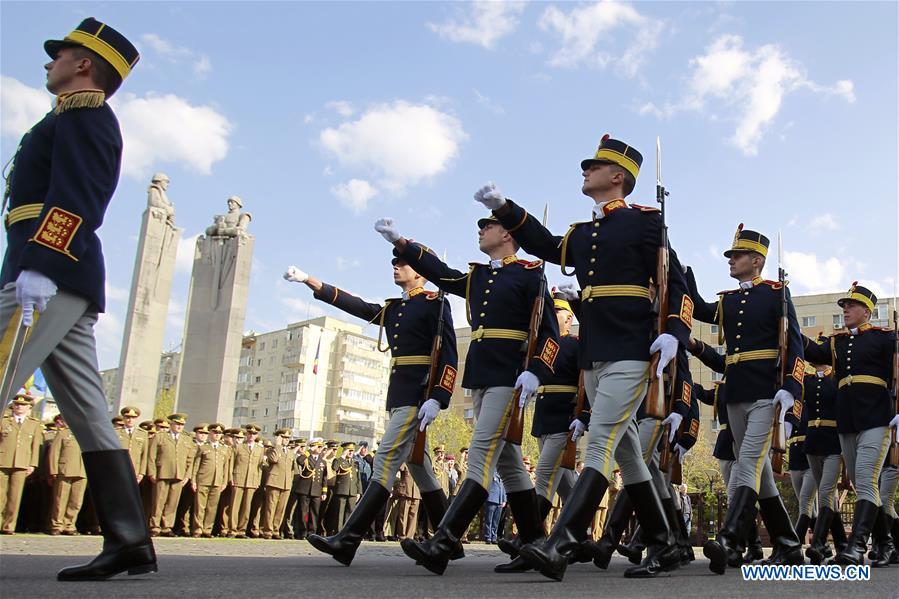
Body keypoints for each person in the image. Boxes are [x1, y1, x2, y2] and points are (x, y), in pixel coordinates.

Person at [487, 135, 693, 580]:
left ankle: (559, 544)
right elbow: (544, 244)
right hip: (596, 352)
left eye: (594, 166)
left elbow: (677, 284)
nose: (585, 170)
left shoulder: (645, 223)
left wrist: (675, 332)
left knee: (599, 442)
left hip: (633, 348)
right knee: (629, 455)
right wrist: (507, 208)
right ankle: (666, 544)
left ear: (617, 177)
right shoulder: (584, 233)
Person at [0, 17, 151, 580]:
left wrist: (40, 264)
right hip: (58, 275)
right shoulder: (67, 116)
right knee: (89, 414)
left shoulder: (87, 115)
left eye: (58, 54)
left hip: (49, 274)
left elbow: (79, 196)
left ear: (83, 63)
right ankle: (130, 540)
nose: (48, 61)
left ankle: (131, 540)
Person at [376, 212, 560, 576]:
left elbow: (549, 333)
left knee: (480, 454)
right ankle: (539, 548)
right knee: (508, 464)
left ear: (508, 234)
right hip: (481, 374)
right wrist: (402, 243)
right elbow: (439, 270)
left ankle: (444, 542)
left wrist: (537, 371)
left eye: (487, 226)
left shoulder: (529, 273)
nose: (480, 230)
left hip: (510, 375)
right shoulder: (477, 276)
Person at [285, 252, 458, 565]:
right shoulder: (395, 308)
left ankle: (347, 540)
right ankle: (451, 539)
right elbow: (356, 306)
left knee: (385, 460)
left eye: (403, 263)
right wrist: (311, 281)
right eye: (394, 263)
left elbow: (448, 354)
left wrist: (438, 396)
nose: (395, 266)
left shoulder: (437, 303)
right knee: (420, 468)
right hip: (399, 395)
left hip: (417, 396)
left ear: (421, 273)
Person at [802, 282, 897, 566]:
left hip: (877, 418)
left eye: (851, 305)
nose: (845, 310)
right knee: (860, 482)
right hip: (848, 421)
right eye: (843, 306)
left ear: (867, 312)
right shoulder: (837, 342)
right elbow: (814, 354)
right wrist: (790, 328)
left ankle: (855, 547)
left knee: (867, 479)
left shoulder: (885, 338)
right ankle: (885, 543)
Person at [0, 392, 43, 535]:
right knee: (0, 495)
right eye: (17, 404)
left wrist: (32, 464)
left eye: (23, 405)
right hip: (3, 461)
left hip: (21, 463)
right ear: (13, 406)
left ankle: (8, 526)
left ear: (28, 407)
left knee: (15, 496)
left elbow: (35, 446)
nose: (19, 407)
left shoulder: (34, 424)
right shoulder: (4, 420)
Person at [47, 414, 86, 535]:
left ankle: (69, 525)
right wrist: (53, 470)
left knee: (76, 501)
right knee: (60, 499)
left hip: (82, 471)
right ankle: (57, 525)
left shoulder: (89, 435)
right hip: (65, 470)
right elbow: (54, 452)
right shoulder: (63, 433)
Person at [190, 423, 230, 538]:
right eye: (214, 432)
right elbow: (196, 465)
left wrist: (224, 482)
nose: (217, 435)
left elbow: (225, 467)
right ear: (210, 433)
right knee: (200, 506)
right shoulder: (203, 447)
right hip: (203, 480)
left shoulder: (224, 449)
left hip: (217, 481)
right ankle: (197, 529)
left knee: (212, 507)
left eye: (219, 433)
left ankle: (207, 529)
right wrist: (194, 480)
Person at [294, 439, 327, 540]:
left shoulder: (322, 461)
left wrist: (324, 491)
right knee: (303, 512)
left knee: (314, 512)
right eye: (318, 447)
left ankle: (312, 532)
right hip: (305, 489)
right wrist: (308, 451)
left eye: (321, 447)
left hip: (317, 490)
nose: (320, 449)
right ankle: (302, 532)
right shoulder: (306, 458)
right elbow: (299, 461)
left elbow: (324, 477)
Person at [484, 473, 507, 543]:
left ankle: (494, 537)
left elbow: (504, 489)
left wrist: (504, 500)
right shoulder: (491, 472)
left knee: (496, 521)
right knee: (489, 520)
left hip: (500, 501)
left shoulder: (502, 474)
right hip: (491, 499)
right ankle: (488, 537)